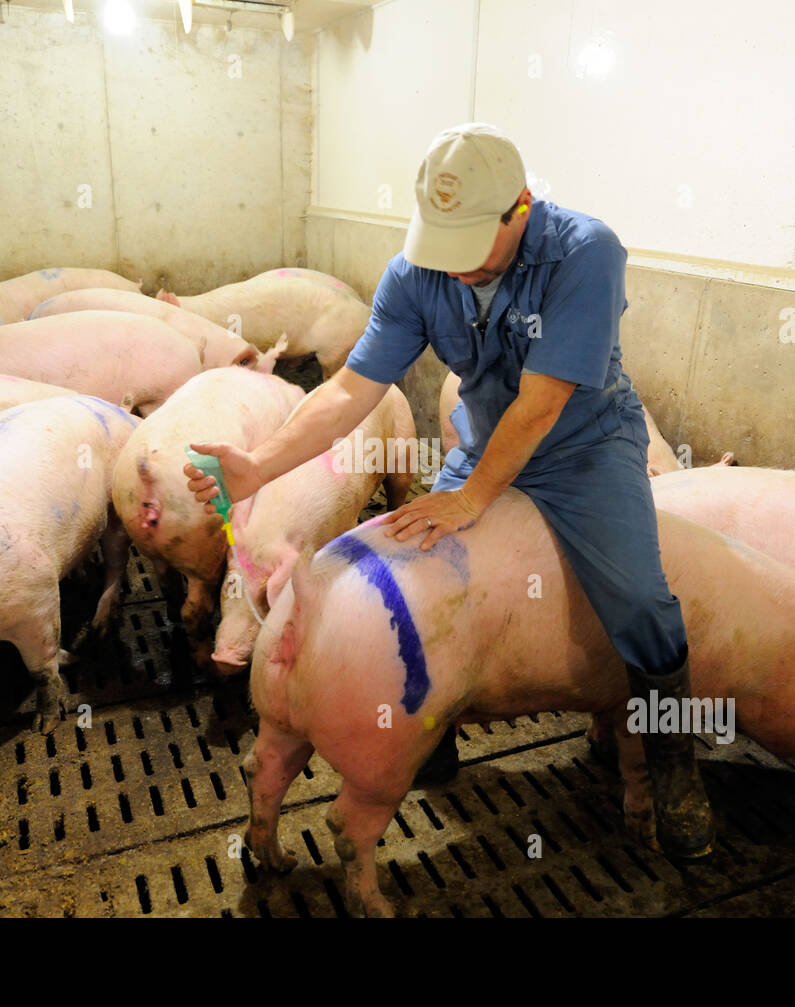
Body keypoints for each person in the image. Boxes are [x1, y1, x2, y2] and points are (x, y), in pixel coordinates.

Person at [186, 123, 714, 859]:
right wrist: (259, 466)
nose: (454, 264)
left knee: (642, 601)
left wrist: (468, 497)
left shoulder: (585, 253)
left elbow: (543, 403)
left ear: (520, 209)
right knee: (429, 576)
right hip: (488, 442)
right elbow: (348, 390)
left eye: (471, 241)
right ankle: (427, 730)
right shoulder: (417, 272)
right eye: (441, 237)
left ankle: (674, 771)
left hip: (585, 449)